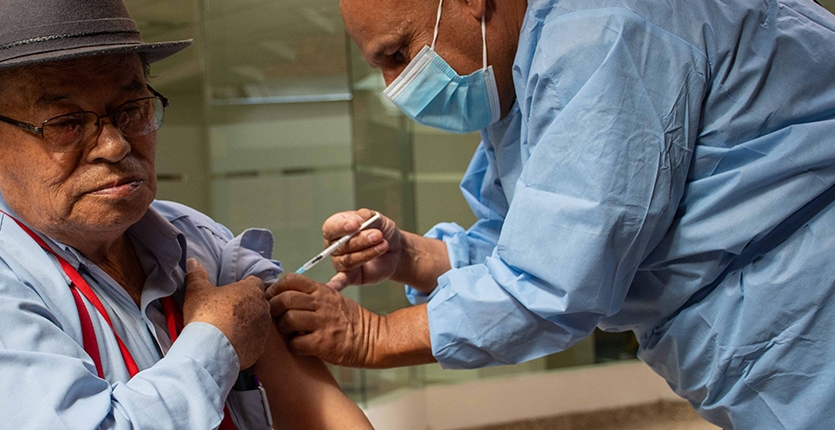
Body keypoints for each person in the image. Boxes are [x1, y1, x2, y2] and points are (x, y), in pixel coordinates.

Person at [266, 0, 835, 427]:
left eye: (398, 54)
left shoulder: (603, 27)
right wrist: (409, 257)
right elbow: (522, 245)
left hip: (807, 314)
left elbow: (553, 282)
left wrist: (370, 335)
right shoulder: (522, 75)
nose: (394, 86)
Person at [0, 0, 372, 428]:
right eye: (65, 122)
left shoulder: (193, 240)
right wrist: (217, 343)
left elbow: (320, 413)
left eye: (133, 109)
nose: (115, 143)